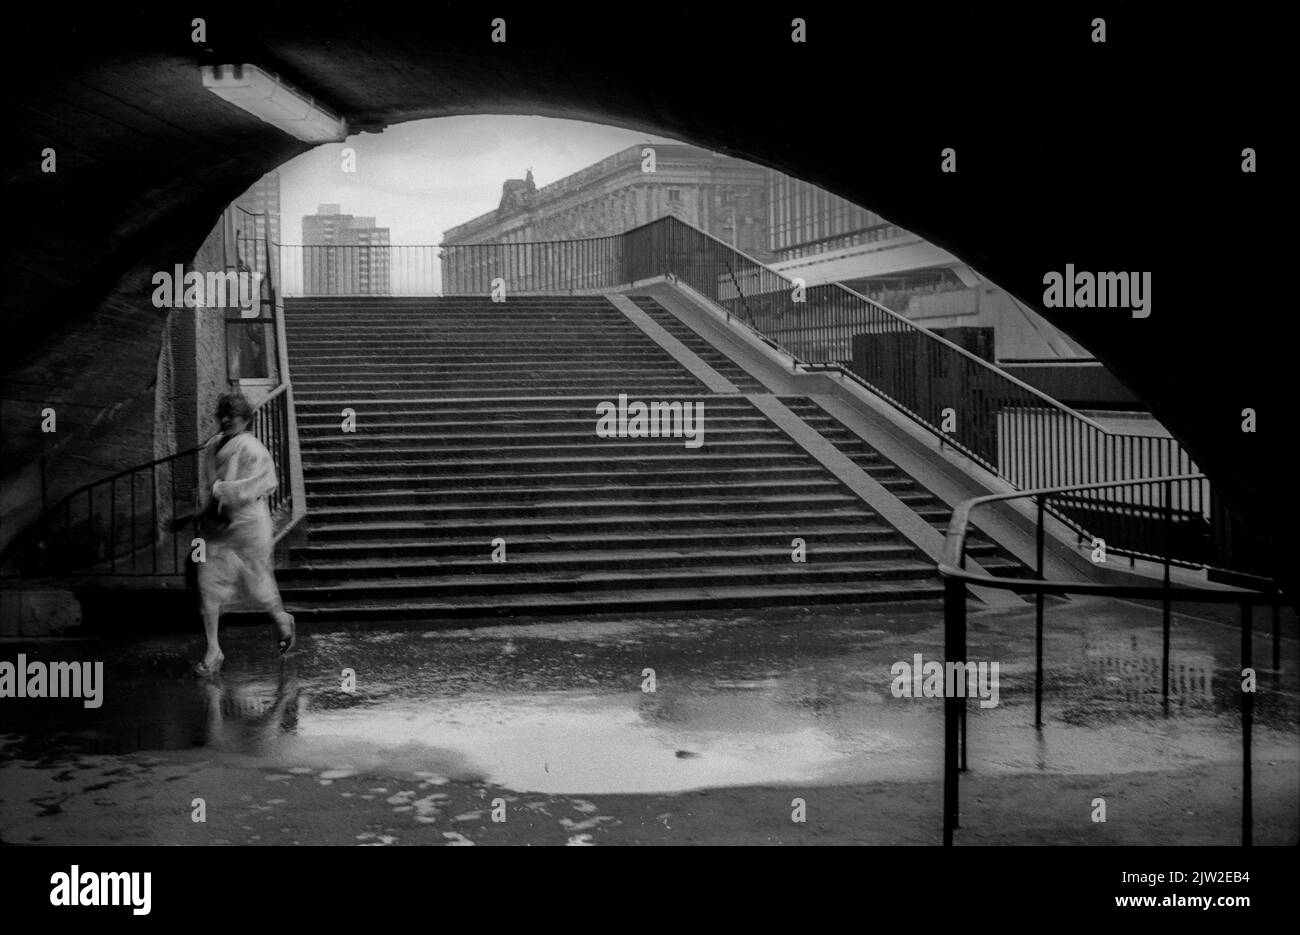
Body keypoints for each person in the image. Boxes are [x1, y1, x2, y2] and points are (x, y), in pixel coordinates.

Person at [192, 392, 295, 676]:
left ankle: (281, 618)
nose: (225, 420)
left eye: (232, 416)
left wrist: (221, 491)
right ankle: (213, 650)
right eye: (222, 415)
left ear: (245, 419)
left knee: (258, 578)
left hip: (249, 522)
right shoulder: (212, 446)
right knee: (208, 583)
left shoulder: (252, 448)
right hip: (219, 523)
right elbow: (209, 483)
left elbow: (265, 483)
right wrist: (207, 508)